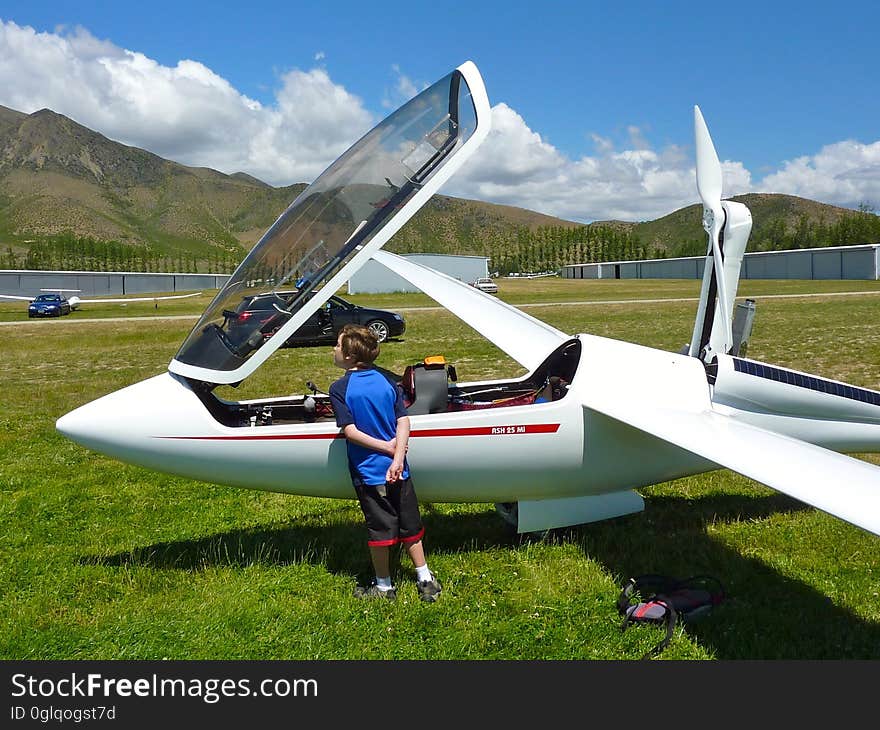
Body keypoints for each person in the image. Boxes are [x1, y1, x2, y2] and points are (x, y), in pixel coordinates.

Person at [329, 323, 442, 602]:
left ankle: (383, 586)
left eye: (337, 344)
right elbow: (403, 420)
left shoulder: (340, 388)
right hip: (401, 471)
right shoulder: (386, 382)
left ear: (349, 356)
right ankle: (425, 578)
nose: (333, 348)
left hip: (370, 474)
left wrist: (386, 448)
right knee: (410, 526)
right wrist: (398, 456)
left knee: (380, 529)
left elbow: (350, 431)